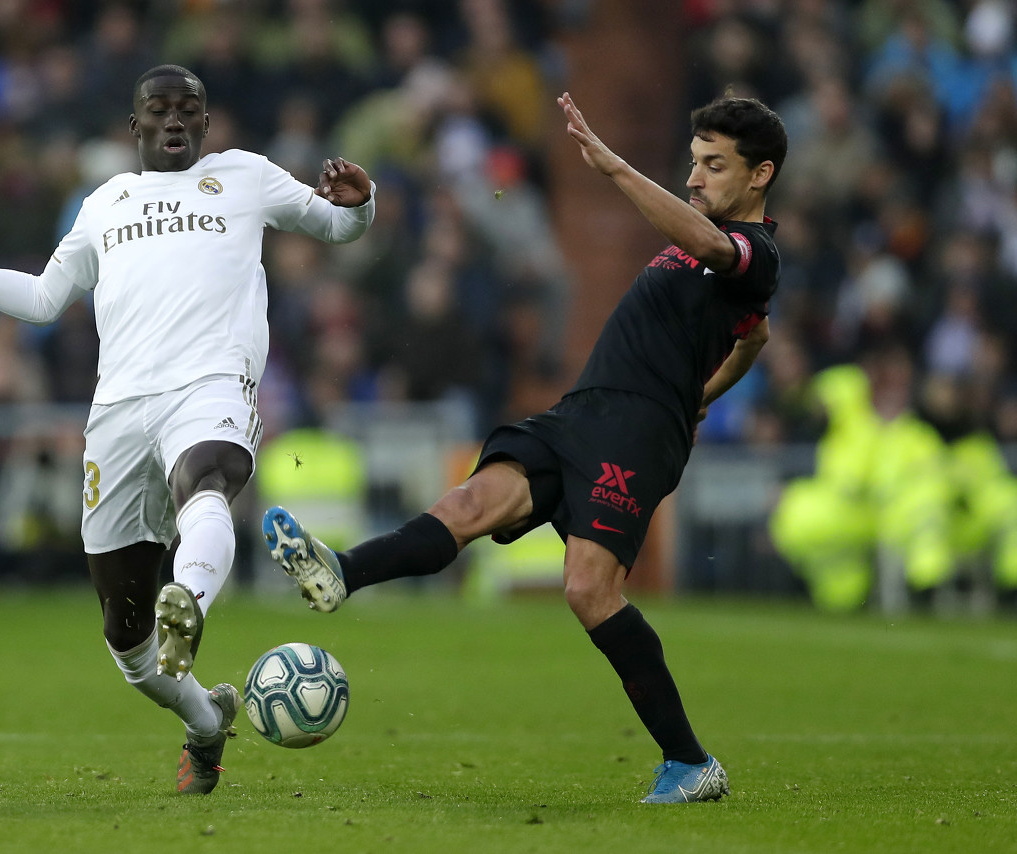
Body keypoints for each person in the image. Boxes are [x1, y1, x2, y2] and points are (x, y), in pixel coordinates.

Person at [263, 90, 786, 804]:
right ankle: (340, 575)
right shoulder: (711, 254)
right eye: (693, 162)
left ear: (760, 175)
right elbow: (755, 335)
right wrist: (707, 391)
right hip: (582, 411)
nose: (694, 178)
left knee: (588, 589)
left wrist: (615, 168)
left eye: (714, 166)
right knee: (468, 504)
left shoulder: (755, 253)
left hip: (637, 432)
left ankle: (691, 762)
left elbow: (717, 256)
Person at [0, 64, 376, 795]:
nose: (174, 119)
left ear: (205, 124)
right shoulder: (105, 203)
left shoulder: (245, 176)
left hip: (209, 383)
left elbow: (335, 223)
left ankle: (190, 602)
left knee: (207, 479)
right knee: (127, 638)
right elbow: (43, 298)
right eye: (159, 109)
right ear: (134, 126)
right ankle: (206, 721)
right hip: (116, 411)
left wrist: (361, 205)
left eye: (188, 109)